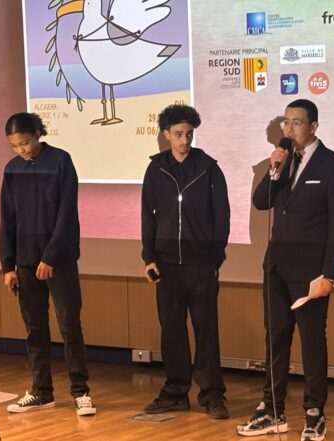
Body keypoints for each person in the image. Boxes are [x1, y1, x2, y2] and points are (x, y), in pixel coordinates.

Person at [238, 99, 334, 441]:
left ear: (313, 126)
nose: (289, 129)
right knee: (275, 338)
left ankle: (315, 413)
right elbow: (261, 202)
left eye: (296, 123)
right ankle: (272, 410)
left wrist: (329, 273)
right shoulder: (282, 161)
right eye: (286, 123)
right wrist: (274, 168)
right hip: (276, 266)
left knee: (312, 341)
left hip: (311, 272)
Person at [0, 112, 96, 416]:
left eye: (25, 143)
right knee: (35, 328)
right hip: (26, 262)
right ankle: (41, 391)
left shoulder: (60, 161)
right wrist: (8, 266)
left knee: (69, 326)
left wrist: (50, 256)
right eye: (15, 146)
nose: (22, 150)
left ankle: (81, 391)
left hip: (59, 260)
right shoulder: (12, 169)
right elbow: (8, 219)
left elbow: (66, 215)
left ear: (38, 133)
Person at [141, 104, 231, 419]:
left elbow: (222, 216)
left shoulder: (208, 168)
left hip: (201, 266)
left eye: (189, 134)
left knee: (206, 332)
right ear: (166, 134)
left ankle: (212, 395)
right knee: (172, 332)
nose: (184, 141)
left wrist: (215, 257)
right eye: (178, 134)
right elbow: (148, 215)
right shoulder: (156, 169)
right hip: (166, 266)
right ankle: (175, 392)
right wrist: (149, 257)